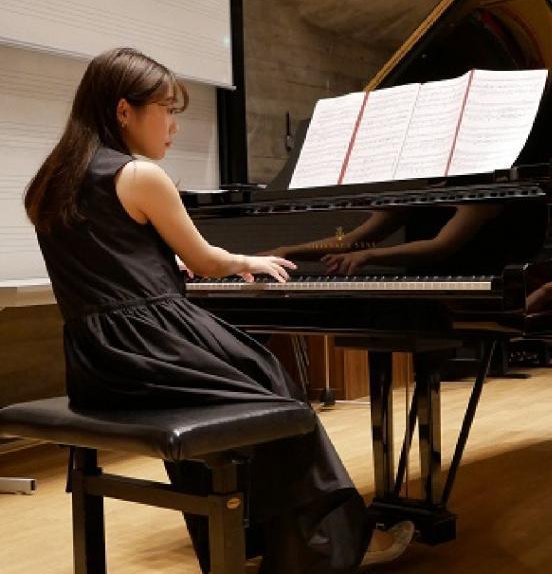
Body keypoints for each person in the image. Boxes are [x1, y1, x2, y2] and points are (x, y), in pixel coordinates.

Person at [24, 47, 412, 573]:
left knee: (250, 391)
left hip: (98, 364)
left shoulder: (50, 182)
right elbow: (206, 262)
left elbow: (108, 262)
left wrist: (160, 270)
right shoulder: (139, 175)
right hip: (151, 347)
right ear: (123, 111)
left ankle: (238, 543)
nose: (174, 127)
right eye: (167, 109)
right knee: (276, 389)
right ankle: (325, 549)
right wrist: (249, 259)